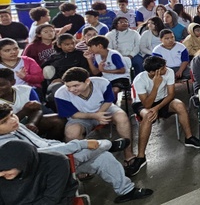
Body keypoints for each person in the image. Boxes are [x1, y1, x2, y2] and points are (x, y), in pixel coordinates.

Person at [1, 102, 153, 202]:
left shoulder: (17, 127)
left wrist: (73, 146)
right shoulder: (4, 145)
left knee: (102, 157)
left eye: (13, 115)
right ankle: (108, 145)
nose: (14, 120)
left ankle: (126, 190)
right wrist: (81, 144)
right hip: (42, 172)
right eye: (5, 121)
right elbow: (41, 153)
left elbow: (45, 143)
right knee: (85, 151)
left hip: (56, 157)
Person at [128, 56, 200, 176]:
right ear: (153, 72)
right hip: (143, 103)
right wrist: (156, 86)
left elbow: (171, 94)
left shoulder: (169, 72)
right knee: (148, 116)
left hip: (162, 100)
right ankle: (141, 156)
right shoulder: (139, 80)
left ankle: (189, 138)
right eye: (162, 68)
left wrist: (157, 108)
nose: (166, 69)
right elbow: (147, 104)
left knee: (180, 105)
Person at [55, 67, 135, 166]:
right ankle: (80, 164)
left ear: (87, 81)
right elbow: (73, 114)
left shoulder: (102, 83)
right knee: (71, 133)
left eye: (76, 85)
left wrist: (99, 113)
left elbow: (108, 101)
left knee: (122, 117)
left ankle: (128, 153)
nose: (71, 89)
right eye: (68, 86)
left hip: (103, 108)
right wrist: (95, 116)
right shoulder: (60, 94)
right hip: (80, 115)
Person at [0, 140, 78, 205]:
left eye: (5, 169)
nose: (1, 174)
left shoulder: (56, 163)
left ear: (21, 163)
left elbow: (51, 198)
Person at [0, 68, 65, 140]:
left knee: (58, 119)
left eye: (1, 85)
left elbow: (38, 109)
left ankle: (50, 143)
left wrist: (32, 123)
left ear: (13, 82)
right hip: (6, 129)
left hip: (31, 120)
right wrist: (25, 111)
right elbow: (2, 121)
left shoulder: (26, 90)